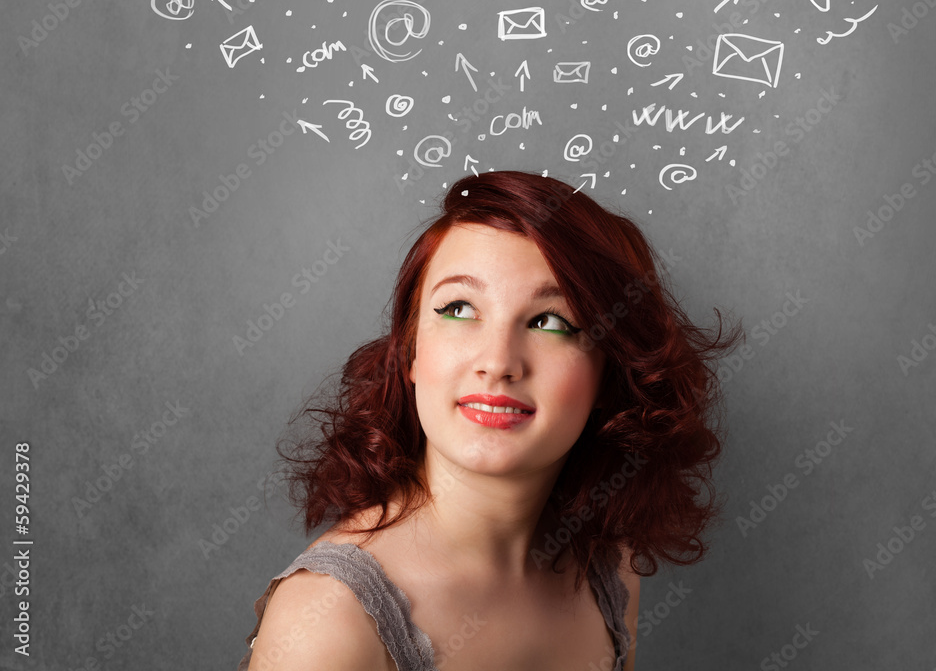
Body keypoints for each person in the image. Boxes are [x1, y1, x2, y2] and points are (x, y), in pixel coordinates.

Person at [236, 170, 740, 670]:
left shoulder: (610, 567)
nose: (498, 361)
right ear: (410, 351)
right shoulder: (326, 620)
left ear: (612, 372)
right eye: (458, 308)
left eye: (551, 322)